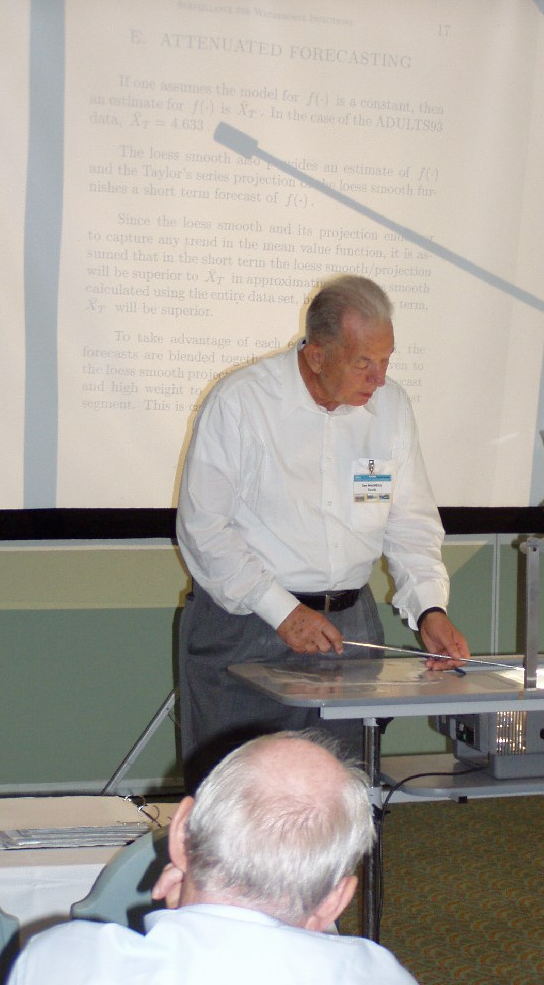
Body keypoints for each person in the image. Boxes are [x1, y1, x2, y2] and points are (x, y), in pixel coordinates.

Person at [176, 274, 469, 788]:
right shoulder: (243, 402)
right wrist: (281, 611)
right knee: (241, 803)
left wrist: (430, 608)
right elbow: (204, 529)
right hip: (249, 627)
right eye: (363, 363)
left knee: (341, 795)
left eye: (387, 360)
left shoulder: (392, 409)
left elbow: (411, 524)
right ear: (316, 356)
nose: (379, 379)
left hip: (351, 631)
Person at [6, 731, 419, 985]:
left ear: (180, 831)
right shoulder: (377, 974)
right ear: (335, 900)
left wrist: (188, 906)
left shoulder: (60, 960)